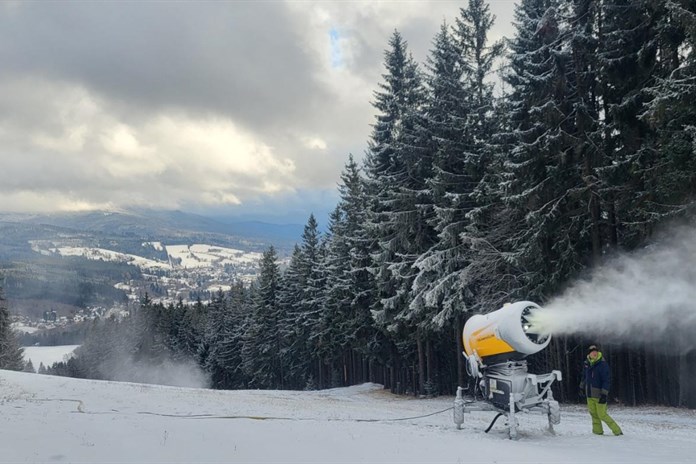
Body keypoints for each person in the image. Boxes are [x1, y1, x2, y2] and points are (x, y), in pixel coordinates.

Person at [579, 344, 623, 436]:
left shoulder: (602, 364)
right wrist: (582, 387)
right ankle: (597, 432)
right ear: (589, 354)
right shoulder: (587, 364)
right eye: (592, 352)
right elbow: (584, 377)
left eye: (595, 351)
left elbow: (606, 380)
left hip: (599, 395)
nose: (594, 353)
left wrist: (604, 394)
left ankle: (617, 431)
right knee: (594, 414)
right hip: (589, 394)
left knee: (602, 415)